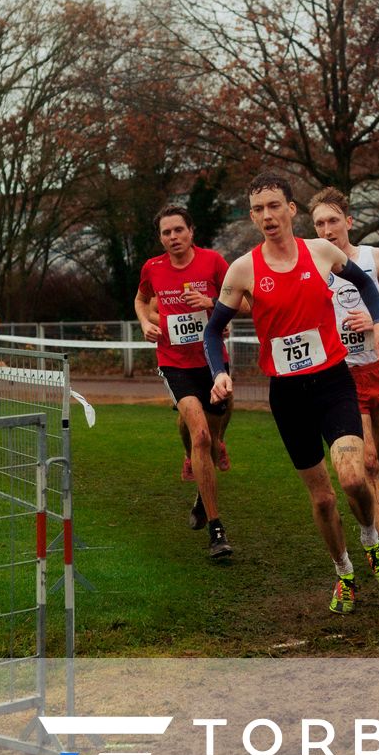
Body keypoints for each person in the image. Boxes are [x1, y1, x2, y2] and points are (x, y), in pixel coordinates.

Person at [203, 170, 379, 613]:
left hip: (333, 382)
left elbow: (366, 285)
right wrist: (218, 372)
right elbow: (214, 332)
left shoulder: (322, 251)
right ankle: (344, 571)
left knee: (352, 476)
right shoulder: (243, 269)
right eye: (258, 209)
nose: (267, 216)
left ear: (292, 209)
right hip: (288, 396)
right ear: (252, 217)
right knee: (324, 497)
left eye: (275, 206)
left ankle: (371, 538)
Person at [310, 189, 379, 580]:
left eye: (332, 221)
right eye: (319, 223)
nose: (326, 229)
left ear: (348, 223)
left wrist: (377, 321)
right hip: (342, 377)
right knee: (367, 462)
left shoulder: (373, 258)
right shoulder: (313, 267)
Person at [135, 205, 234, 562]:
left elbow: (240, 299)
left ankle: (203, 473)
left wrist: (213, 305)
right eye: (166, 233)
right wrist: (145, 321)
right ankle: (217, 531)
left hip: (212, 359)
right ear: (160, 238)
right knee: (200, 435)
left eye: (179, 230)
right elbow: (141, 298)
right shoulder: (153, 267)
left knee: (213, 432)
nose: (173, 237)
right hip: (174, 361)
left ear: (191, 231)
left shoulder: (213, 262)